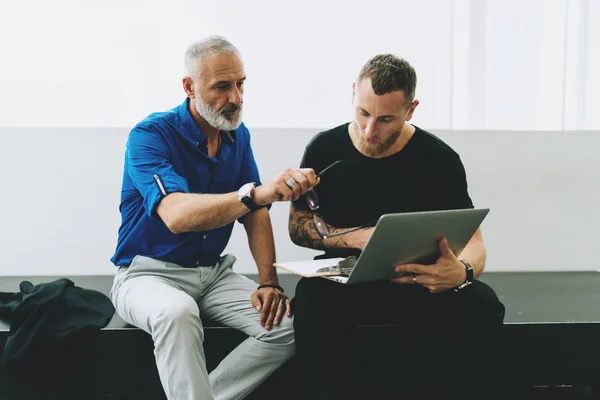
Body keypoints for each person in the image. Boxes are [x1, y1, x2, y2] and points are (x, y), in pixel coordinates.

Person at [109, 36, 318, 400]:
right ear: (189, 87)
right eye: (222, 87)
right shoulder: (149, 136)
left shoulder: (237, 136)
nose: (235, 98)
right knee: (177, 313)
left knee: (288, 328)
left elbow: (255, 215)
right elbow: (176, 215)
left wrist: (268, 282)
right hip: (145, 273)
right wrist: (253, 194)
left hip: (213, 274)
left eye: (240, 84)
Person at [289, 54, 506, 399]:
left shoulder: (438, 158)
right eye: (363, 113)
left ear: (411, 109)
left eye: (386, 119)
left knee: (483, 304)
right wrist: (360, 238)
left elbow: (474, 242)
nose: (370, 130)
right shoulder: (324, 147)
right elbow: (298, 227)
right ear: (353, 95)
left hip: (417, 280)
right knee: (312, 300)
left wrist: (462, 272)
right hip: (343, 282)